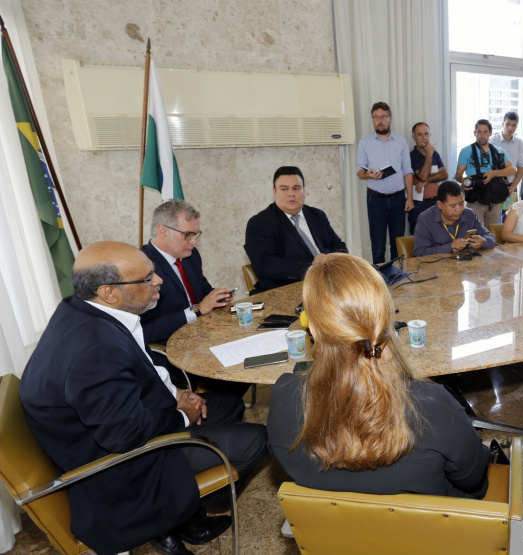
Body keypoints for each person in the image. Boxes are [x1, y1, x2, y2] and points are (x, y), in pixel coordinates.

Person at [19, 241, 268, 555]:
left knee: (229, 404)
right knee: (259, 439)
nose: (159, 280)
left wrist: (176, 392)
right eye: (147, 278)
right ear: (109, 291)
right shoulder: (94, 350)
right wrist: (182, 416)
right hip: (123, 464)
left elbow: (137, 365)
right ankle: (195, 504)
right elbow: (124, 435)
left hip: (129, 420)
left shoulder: (83, 308)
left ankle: (188, 515)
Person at [266, 254, 489, 499]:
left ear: (313, 329)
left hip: (331, 531)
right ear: (385, 320)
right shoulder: (430, 403)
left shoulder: (283, 397)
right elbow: (472, 478)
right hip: (427, 532)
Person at [140, 200, 238, 389]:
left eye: (195, 234)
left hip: (203, 336)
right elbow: (145, 331)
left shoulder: (190, 256)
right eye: (187, 235)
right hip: (174, 351)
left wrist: (218, 297)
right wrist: (197, 310)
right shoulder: (142, 268)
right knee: (233, 376)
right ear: (162, 231)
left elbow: (202, 291)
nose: (194, 242)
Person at [245, 166, 348, 292]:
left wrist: (330, 261)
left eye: (296, 188)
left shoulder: (317, 215)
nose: (291, 194)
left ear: (304, 191)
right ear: (274, 191)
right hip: (287, 291)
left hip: (330, 284)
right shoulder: (260, 223)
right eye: (284, 189)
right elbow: (265, 264)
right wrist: (312, 269)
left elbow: (338, 245)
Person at [356, 101, 415, 263]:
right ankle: (380, 282)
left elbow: (407, 171)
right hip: (375, 200)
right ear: (372, 120)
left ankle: (397, 277)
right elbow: (359, 171)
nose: (379, 120)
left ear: (390, 118)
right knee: (378, 245)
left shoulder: (401, 141)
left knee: (398, 242)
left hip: (398, 199)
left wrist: (409, 198)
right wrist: (368, 174)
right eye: (376, 117)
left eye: (383, 116)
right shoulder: (364, 143)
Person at [454, 119, 516, 226]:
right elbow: (458, 175)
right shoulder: (466, 151)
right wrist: (463, 181)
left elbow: (512, 170)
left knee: (492, 233)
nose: (482, 135)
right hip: (475, 199)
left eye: (485, 132)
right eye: (479, 132)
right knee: (473, 231)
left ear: (490, 133)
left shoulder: (498, 151)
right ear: (475, 133)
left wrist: (493, 173)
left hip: (494, 200)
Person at [413, 180, 496, 256]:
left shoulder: (469, 214)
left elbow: (491, 238)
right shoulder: (425, 219)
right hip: (438, 268)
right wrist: (450, 247)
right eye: (453, 206)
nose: (459, 209)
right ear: (440, 205)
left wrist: (482, 242)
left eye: (461, 204)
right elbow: (419, 252)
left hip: (466, 267)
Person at [407, 122, 448, 234]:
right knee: (419, 237)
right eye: (420, 135)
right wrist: (429, 154)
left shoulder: (436, 154)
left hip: (436, 202)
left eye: (426, 134)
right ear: (414, 138)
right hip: (419, 204)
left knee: (438, 237)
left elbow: (444, 174)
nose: (424, 138)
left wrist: (426, 181)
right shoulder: (411, 156)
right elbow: (422, 175)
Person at [489, 111, 523, 219]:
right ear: (502, 124)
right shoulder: (492, 141)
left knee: (510, 219)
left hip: (511, 186)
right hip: (495, 185)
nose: (510, 127)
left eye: (514, 125)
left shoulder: (519, 143)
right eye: (508, 124)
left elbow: (522, 166)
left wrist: (514, 185)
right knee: (493, 219)